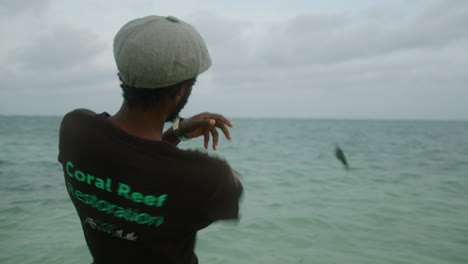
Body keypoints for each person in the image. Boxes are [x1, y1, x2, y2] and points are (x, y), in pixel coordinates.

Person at [58, 15, 243, 264]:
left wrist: (174, 135)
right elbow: (149, 172)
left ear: (122, 73)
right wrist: (174, 133)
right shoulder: (209, 177)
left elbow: (133, 167)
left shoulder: (74, 129)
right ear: (181, 91)